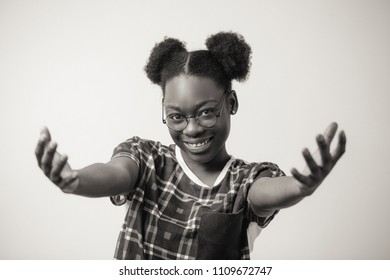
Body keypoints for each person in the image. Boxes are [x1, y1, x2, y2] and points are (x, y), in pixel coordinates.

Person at [35, 32, 346, 260]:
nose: (193, 128)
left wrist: (299, 186)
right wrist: (76, 180)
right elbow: (115, 173)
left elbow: (266, 191)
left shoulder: (245, 180)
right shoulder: (147, 160)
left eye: (207, 112)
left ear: (232, 102)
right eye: (176, 117)